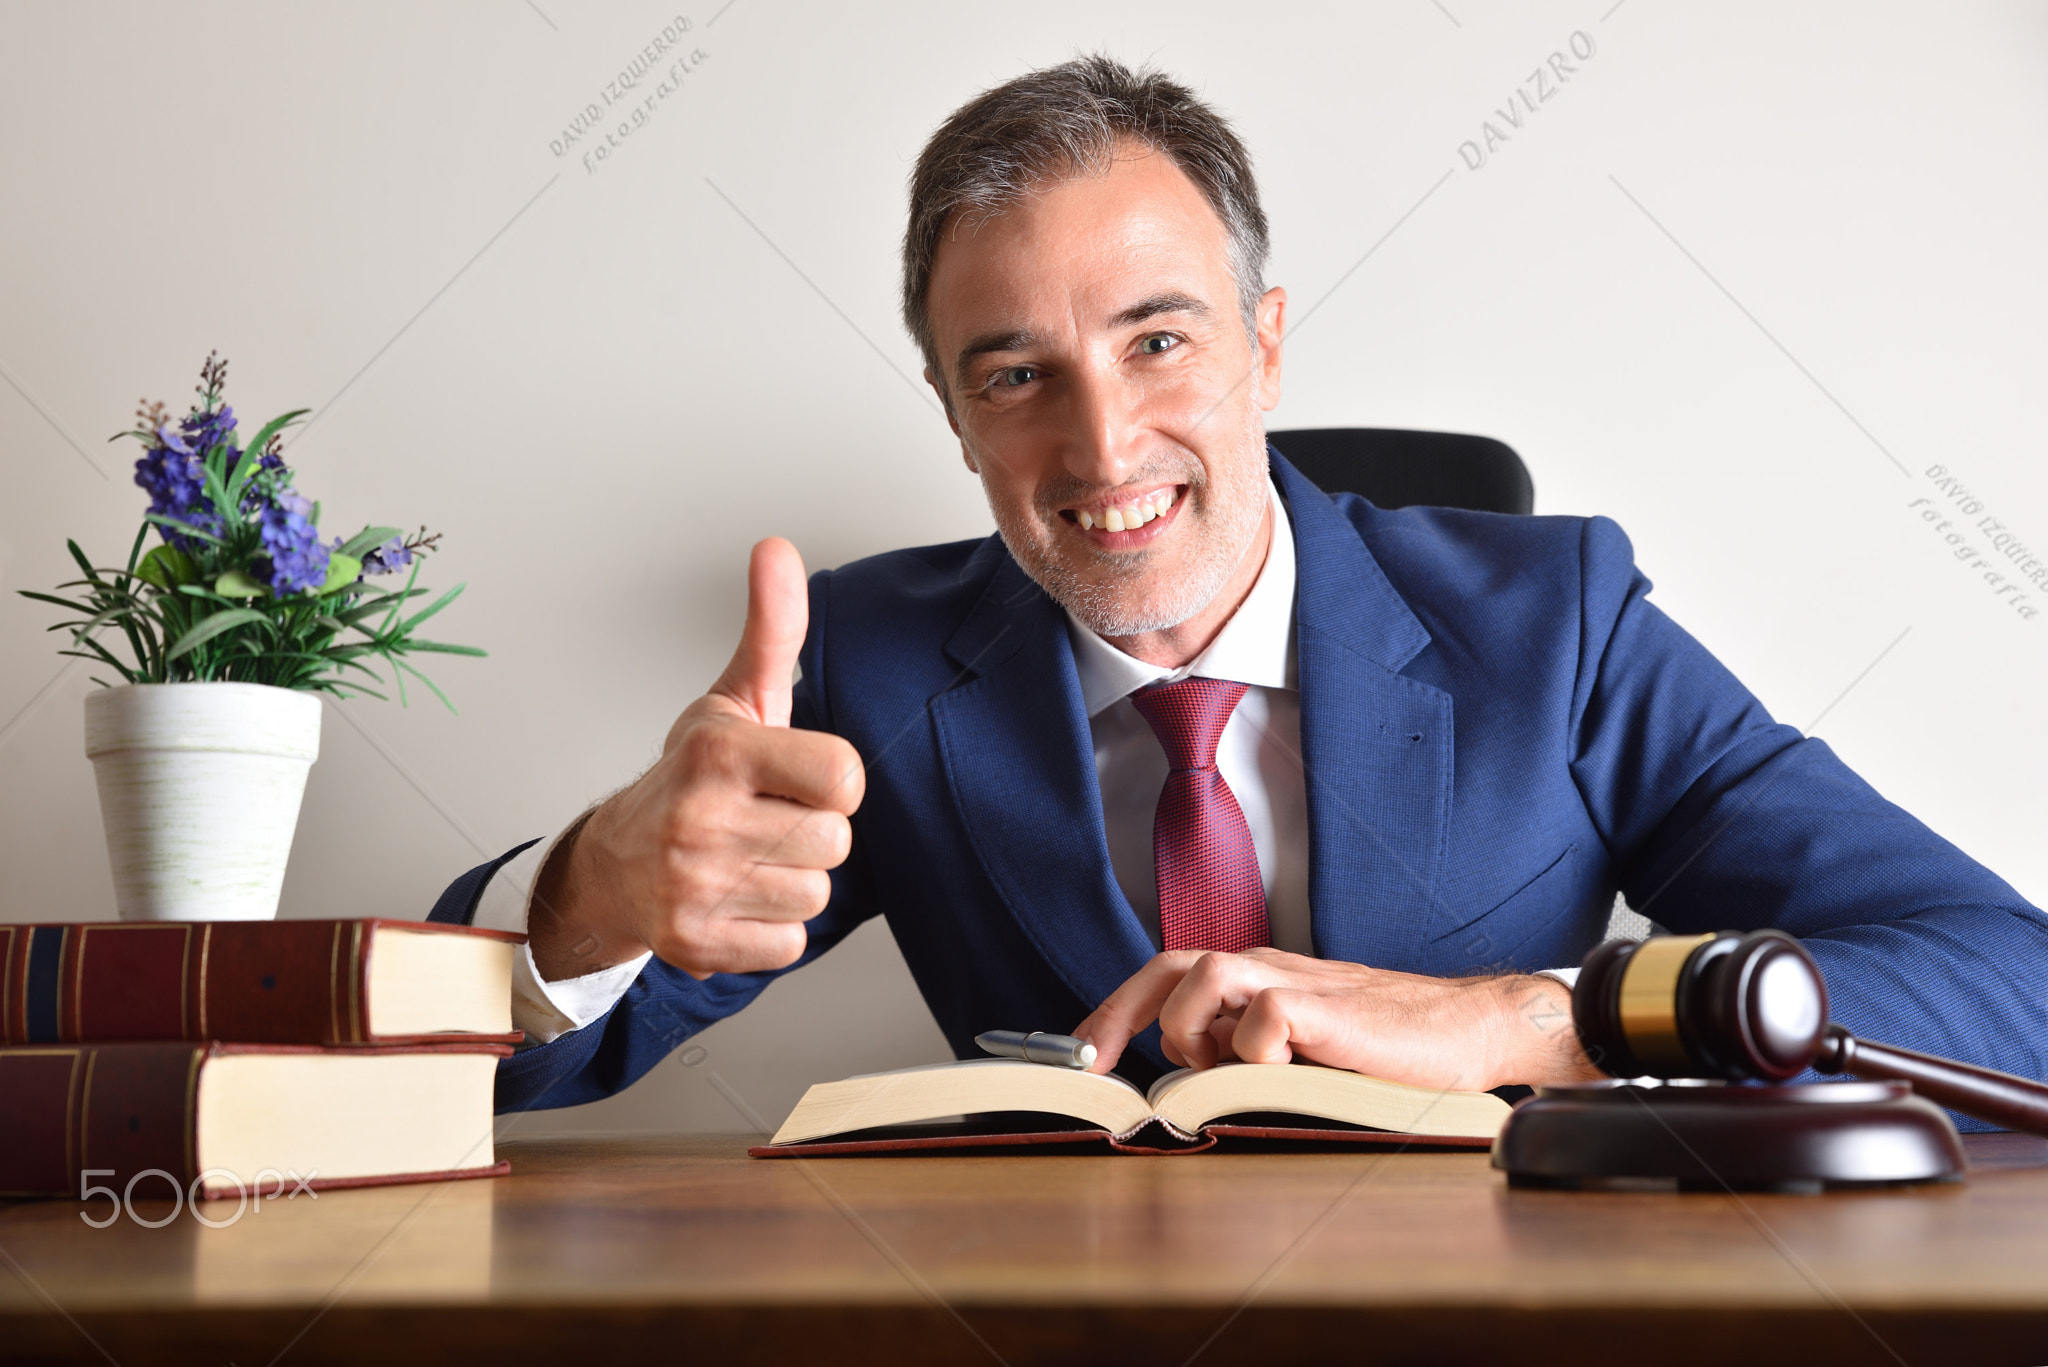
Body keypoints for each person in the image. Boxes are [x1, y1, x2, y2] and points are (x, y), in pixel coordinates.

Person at [440, 56, 2045, 1121]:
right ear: (951, 414)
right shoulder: (872, 667)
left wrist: (1525, 1021)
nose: (1102, 443)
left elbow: (2005, 981)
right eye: (1016, 374)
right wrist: (586, 890)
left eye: (1158, 339)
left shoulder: (1555, 623)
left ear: (1265, 346)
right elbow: (464, 1078)